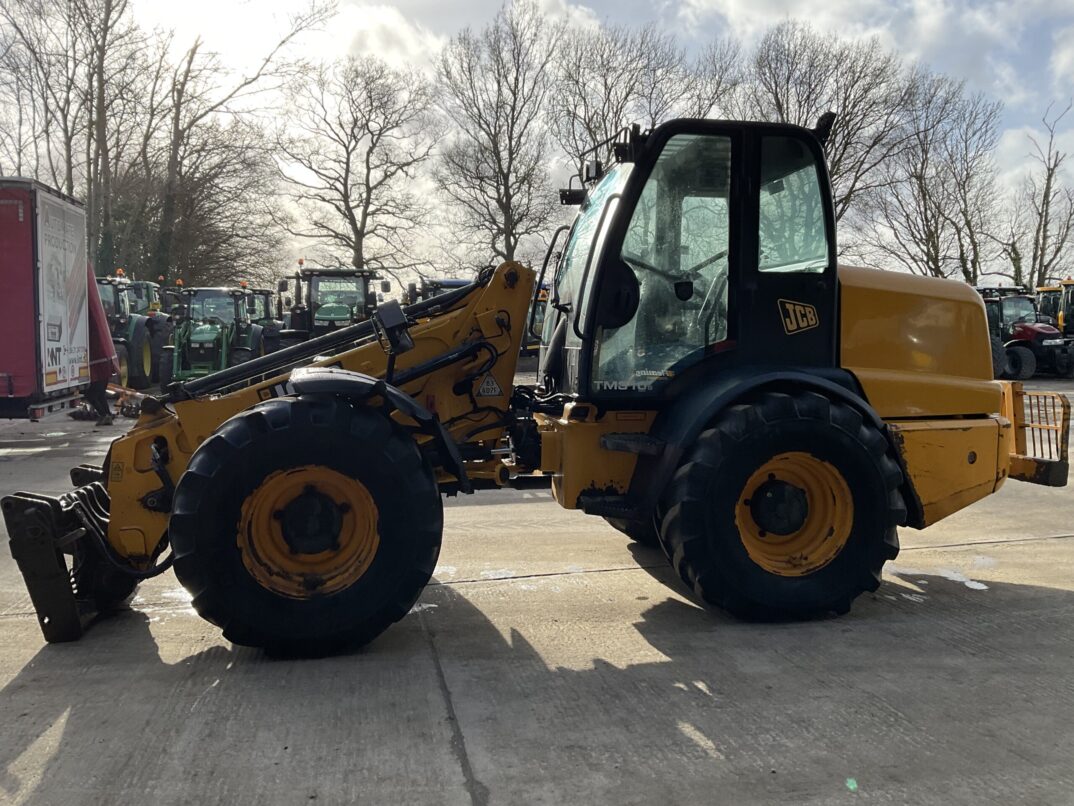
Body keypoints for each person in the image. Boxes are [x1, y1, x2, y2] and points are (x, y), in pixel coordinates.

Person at [85, 265, 119, 425]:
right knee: (97, 393)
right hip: (104, 364)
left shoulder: (95, 331)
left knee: (93, 393)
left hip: (100, 365)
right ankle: (106, 415)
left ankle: (105, 415)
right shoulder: (100, 326)